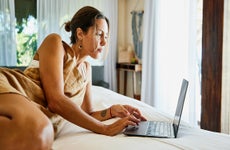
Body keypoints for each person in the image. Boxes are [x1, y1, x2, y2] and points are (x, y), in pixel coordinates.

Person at [0, 6, 146, 150]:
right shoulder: (55, 43)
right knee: (41, 131)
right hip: (12, 87)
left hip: (35, 114)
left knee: (35, 136)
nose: (104, 42)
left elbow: (87, 114)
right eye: (99, 34)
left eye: (106, 37)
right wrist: (105, 129)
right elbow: (55, 100)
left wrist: (111, 111)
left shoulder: (86, 70)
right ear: (80, 34)